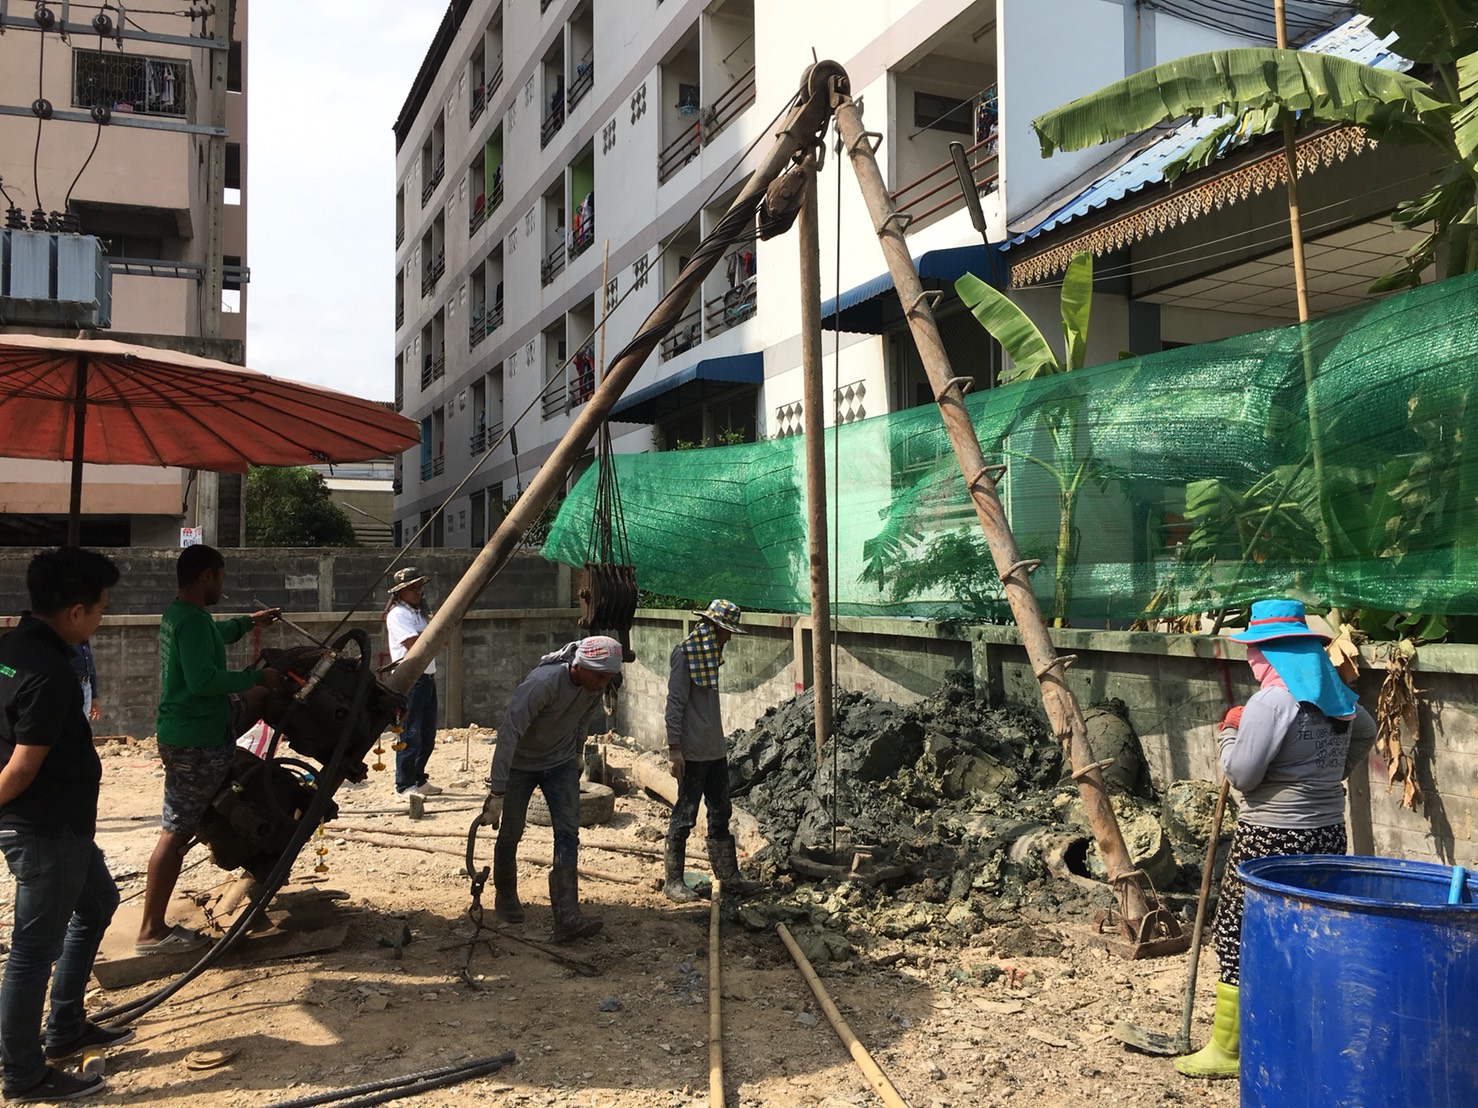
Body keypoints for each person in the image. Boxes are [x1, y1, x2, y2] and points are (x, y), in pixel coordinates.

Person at [1175, 597, 1377, 1080]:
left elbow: (1242, 775)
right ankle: (1300, 1036)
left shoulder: (1271, 702)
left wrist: (1228, 732)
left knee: (1236, 930)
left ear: (1274, 653)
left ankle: (1228, 1049)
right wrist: (1329, 775)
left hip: (1269, 836)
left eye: (1255, 648)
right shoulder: (1337, 697)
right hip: (1326, 834)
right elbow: (1366, 732)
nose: (1250, 657)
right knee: (1307, 930)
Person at [0, 547, 127, 1103]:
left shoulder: (11, 649)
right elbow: (22, 769)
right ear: (76, 611)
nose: (100, 618)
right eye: (100, 609)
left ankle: (66, 1026)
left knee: (98, 903)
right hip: (45, 829)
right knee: (32, 952)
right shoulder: (50, 674)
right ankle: (23, 1073)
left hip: (64, 827)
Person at [136, 545, 280, 955]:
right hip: (194, 739)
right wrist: (257, 677)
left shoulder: (180, 613)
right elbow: (203, 681)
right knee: (176, 832)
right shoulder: (192, 621)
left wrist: (249, 623)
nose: (222, 585)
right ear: (206, 576)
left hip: (193, 726)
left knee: (258, 700)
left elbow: (213, 635)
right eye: (220, 577)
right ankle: (151, 932)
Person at [480, 635, 623, 942]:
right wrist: (497, 792)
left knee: (568, 833)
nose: (603, 684)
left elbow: (583, 718)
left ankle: (567, 914)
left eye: (608, 678)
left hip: (559, 763)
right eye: (600, 677)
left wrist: (577, 752)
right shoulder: (543, 684)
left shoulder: (594, 685)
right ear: (580, 665)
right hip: (520, 765)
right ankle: (505, 894)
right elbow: (509, 734)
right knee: (511, 831)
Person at [662, 599, 760, 902]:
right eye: (726, 632)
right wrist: (674, 750)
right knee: (685, 814)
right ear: (715, 629)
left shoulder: (709, 657)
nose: (728, 638)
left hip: (715, 750)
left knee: (721, 812)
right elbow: (674, 703)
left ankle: (729, 878)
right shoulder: (685, 655)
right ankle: (673, 882)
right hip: (692, 752)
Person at [384, 567, 441, 799]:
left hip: (427, 677)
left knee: (426, 734)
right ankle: (404, 784)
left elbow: (437, 641)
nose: (418, 592)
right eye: (412, 588)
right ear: (400, 592)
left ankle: (418, 778)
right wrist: (435, 638)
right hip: (411, 681)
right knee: (410, 733)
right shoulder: (398, 615)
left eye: (419, 587)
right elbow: (414, 644)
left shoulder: (420, 614)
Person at [71, 642, 100, 723]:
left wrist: (93, 698)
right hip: (72, 685)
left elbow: (90, 666)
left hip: (86, 685)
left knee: (83, 724)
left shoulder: (83, 640)